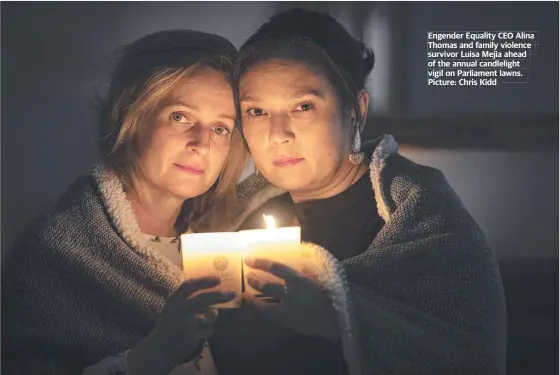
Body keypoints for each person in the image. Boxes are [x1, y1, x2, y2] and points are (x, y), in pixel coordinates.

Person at [208, 9, 507, 375]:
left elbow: (469, 360)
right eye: (256, 111)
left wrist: (335, 319)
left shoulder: (424, 221)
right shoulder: (233, 226)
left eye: (304, 106)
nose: (278, 134)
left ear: (356, 111)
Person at [2, 30, 248, 375]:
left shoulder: (228, 237)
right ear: (132, 116)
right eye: (180, 116)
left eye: (221, 128)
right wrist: (150, 357)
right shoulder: (57, 249)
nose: (201, 143)